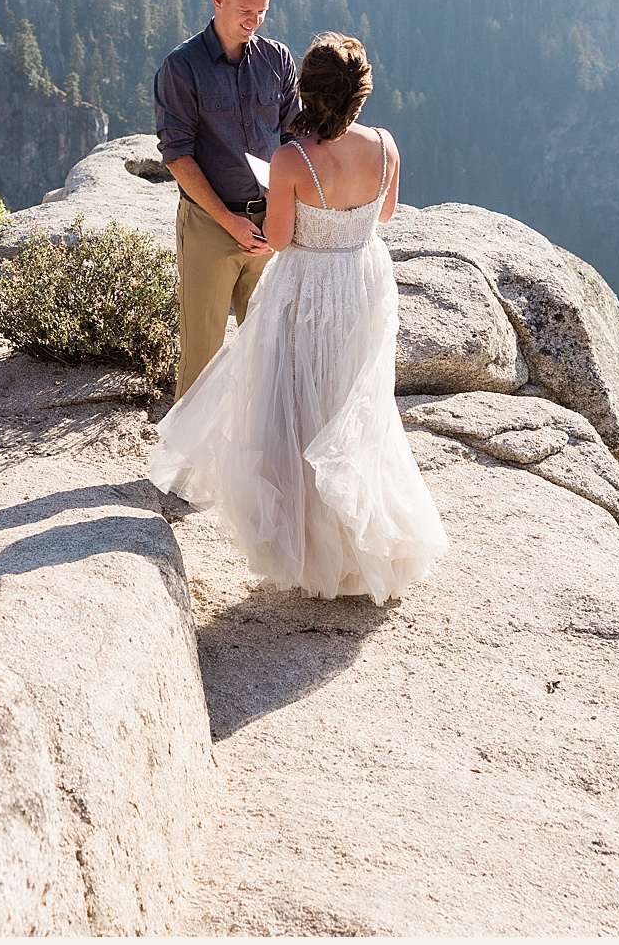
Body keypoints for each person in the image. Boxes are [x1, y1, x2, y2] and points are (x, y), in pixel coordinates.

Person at [146, 32, 447, 604]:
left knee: (297, 402)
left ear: (304, 91)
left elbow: (281, 238)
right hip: (361, 281)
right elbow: (385, 212)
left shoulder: (291, 158)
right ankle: (361, 542)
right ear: (360, 96)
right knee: (354, 405)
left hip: (307, 287)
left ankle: (307, 542)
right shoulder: (385, 145)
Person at [153, 0, 300, 399]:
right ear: (217, 0)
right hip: (209, 228)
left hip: (270, 226)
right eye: (245, 12)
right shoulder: (181, 68)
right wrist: (229, 222)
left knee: (270, 353)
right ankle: (184, 469)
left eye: (262, 13)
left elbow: (296, 139)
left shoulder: (277, 60)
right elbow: (177, 157)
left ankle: (253, 463)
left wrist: (283, 217)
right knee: (202, 357)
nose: (254, 22)